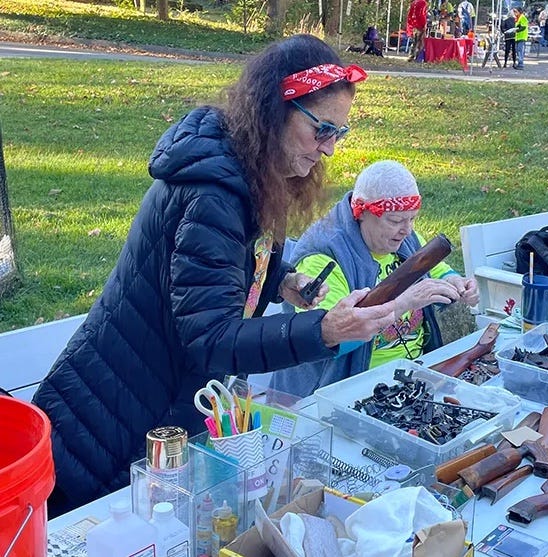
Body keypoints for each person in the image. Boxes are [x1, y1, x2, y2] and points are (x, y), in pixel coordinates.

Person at [32, 34, 399, 516]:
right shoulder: (213, 195)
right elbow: (209, 337)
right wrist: (326, 330)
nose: (329, 148)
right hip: (109, 424)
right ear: (274, 112)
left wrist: (279, 279)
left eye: (340, 133)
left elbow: (224, 263)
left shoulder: (248, 171)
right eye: (322, 129)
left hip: (148, 406)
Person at [271, 160, 479, 397]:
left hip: (411, 377)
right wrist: (403, 303)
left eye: (412, 219)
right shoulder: (323, 257)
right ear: (361, 212)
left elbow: (438, 270)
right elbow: (331, 340)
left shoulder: (405, 238)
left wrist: (455, 281)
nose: (407, 230)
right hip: (342, 392)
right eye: (395, 221)